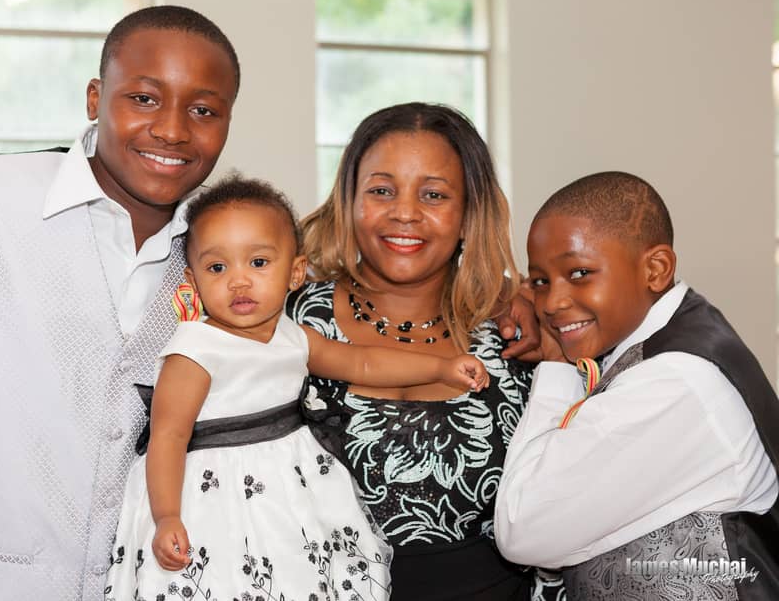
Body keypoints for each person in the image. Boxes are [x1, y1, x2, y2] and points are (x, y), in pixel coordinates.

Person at [0, 5, 240, 600]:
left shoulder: (222, 256)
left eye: (203, 110)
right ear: (95, 98)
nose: (172, 129)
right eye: (144, 98)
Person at [105, 174, 493, 600]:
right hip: (214, 501)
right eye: (217, 267)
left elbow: (362, 361)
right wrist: (166, 516)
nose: (238, 281)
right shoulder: (195, 350)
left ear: (294, 273)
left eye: (258, 263)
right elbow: (168, 436)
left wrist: (441, 368)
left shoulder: (293, 336)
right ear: (194, 280)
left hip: (293, 492)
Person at [285, 102, 564, 600]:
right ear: (350, 201)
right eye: (381, 190)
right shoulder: (285, 320)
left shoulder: (520, 334)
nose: (405, 213)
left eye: (433, 194)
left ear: (468, 215)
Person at [494, 171, 779, 599]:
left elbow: (523, 529)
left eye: (580, 272)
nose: (552, 302)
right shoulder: (664, 336)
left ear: (655, 269)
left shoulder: (671, 381)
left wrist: (555, 368)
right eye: (541, 281)